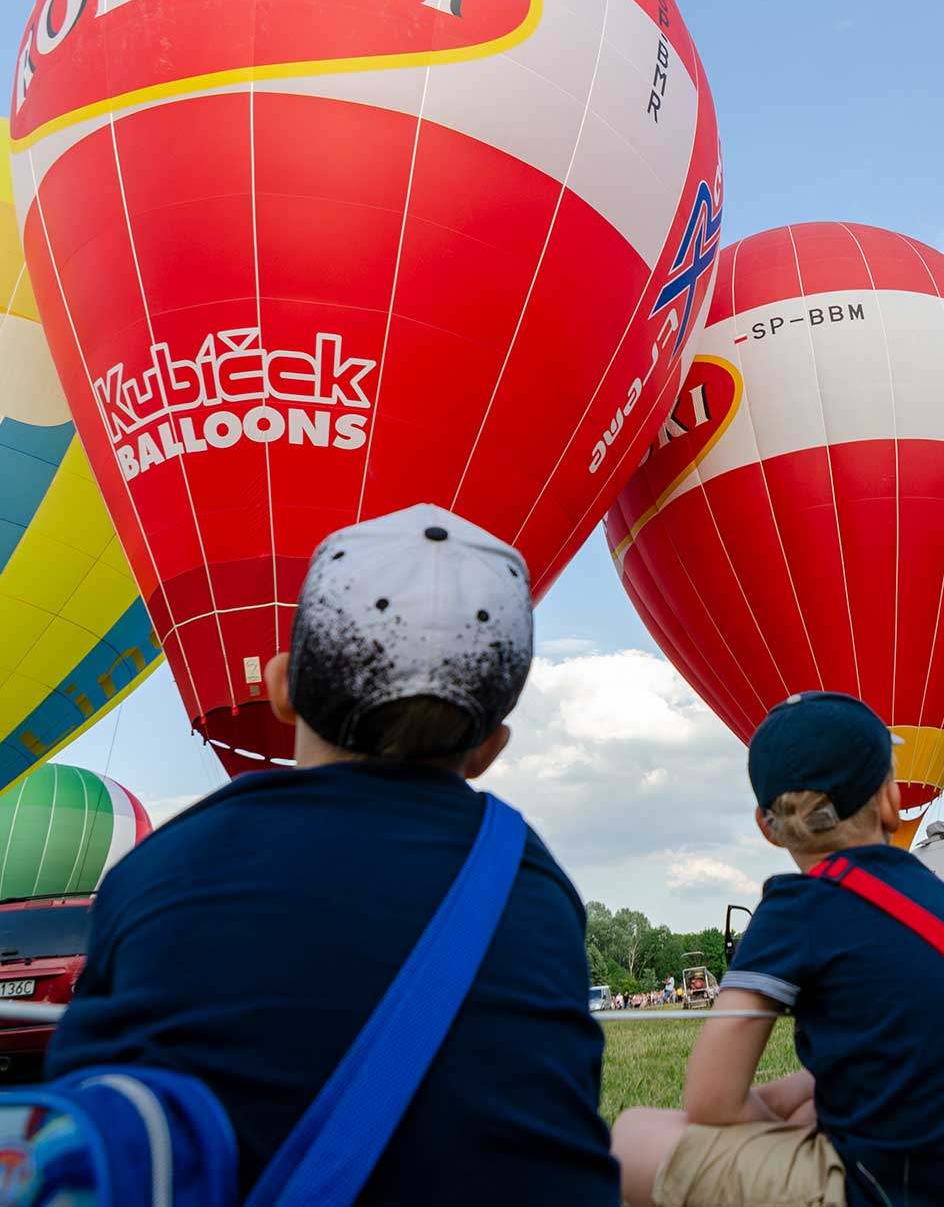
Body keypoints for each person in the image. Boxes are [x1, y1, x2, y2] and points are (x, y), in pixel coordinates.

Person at [45, 505, 619, 1202]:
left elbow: (74, 1117)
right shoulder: (531, 882)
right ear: (491, 748)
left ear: (281, 687)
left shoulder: (159, 867)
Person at [613, 692, 944, 1206]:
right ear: (890, 801)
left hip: (896, 1192)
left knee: (633, 1135)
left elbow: (711, 1097)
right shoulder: (934, 895)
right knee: (803, 1092)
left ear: (767, 827)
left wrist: (770, 1133)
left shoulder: (796, 907)